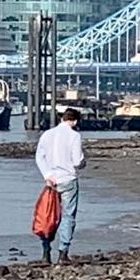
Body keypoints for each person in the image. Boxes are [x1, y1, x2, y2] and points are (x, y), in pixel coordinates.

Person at [33, 107, 86, 264]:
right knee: (68, 216)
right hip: (68, 179)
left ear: (62, 118)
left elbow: (39, 157)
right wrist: (83, 163)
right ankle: (63, 253)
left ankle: (46, 252)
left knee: (48, 215)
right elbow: (77, 161)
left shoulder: (47, 134)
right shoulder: (74, 136)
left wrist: (47, 175)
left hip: (51, 181)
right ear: (75, 121)